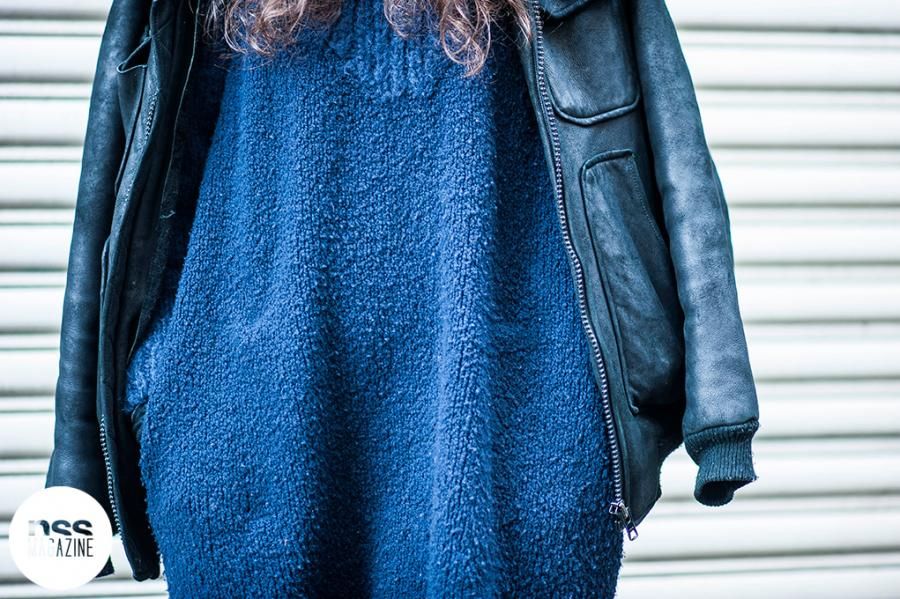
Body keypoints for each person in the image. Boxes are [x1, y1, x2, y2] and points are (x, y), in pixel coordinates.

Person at [45, 0, 761, 595]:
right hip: (244, 440)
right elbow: (114, 190)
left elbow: (675, 155)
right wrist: (83, 462)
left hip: (512, 434)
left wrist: (720, 414)